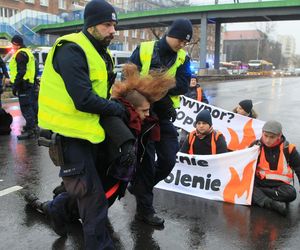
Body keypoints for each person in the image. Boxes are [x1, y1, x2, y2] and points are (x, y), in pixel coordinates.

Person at [25, 64, 175, 236]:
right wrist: (126, 145)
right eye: (145, 111)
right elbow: (112, 120)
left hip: (115, 175)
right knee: (83, 202)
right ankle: (47, 207)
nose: (148, 114)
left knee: (95, 203)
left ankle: (59, 208)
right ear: (133, 108)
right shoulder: (117, 113)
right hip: (103, 171)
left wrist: (165, 104)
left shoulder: (142, 117)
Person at [37, 0, 125, 249]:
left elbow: (103, 94)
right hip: (68, 134)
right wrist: (117, 110)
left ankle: (57, 209)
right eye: (107, 24)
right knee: (93, 198)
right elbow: (83, 98)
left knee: (86, 190)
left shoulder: (101, 53)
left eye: (114, 25)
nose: (113, 31)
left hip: (90, 133)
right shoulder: (72, 48)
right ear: (91, 25)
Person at [128, 18, 193, 226]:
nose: (182, 45)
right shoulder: (144, 49)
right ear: (170, 34)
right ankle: (145, 211)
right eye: (181, 40)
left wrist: (152, 84)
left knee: (168, 160)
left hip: (164, 117)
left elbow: (183, 85)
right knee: (146, 164)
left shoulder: (183, 58)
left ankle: (139, 187)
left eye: (186, 42)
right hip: (142, 116)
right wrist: (162, 92)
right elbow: (130, 79)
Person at [251, 120, 300, 216]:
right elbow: (245, 166)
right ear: (262, 133)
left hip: (280, 185)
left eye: (272, 137)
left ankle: (259, 197)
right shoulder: (255, 146)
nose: (268, 140)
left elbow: (298, 168)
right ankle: (271, 203)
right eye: (265, 136)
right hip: (260, 182)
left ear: (279, 135)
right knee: (245, 187)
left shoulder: (289, 149)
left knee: (291, 194)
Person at [8, 35, 37, 140]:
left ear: (16, 44)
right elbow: (35, 67)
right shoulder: (28, 52)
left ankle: (30, 131)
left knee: (26, 107)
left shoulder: (20, 54)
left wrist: (15, 85)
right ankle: (33, 127)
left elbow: (21, 71)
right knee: (31, 106)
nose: (12, 46)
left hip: (23, 85)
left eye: (13, 44)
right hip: (29, 84)